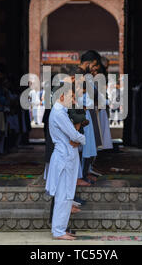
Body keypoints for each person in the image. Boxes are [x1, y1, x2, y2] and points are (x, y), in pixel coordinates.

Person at [45, 85, 86, 241]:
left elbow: (74, 136)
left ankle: (60, 229)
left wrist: (77, 139)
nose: (74, 100)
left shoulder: (61, 112)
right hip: (63, 157)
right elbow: (75, 135)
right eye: (71, 97)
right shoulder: (58, 113)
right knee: (63, 195)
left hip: (66, 156)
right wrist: (83, 139)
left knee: (66, 194)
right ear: (62, 97)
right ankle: (58, 231)